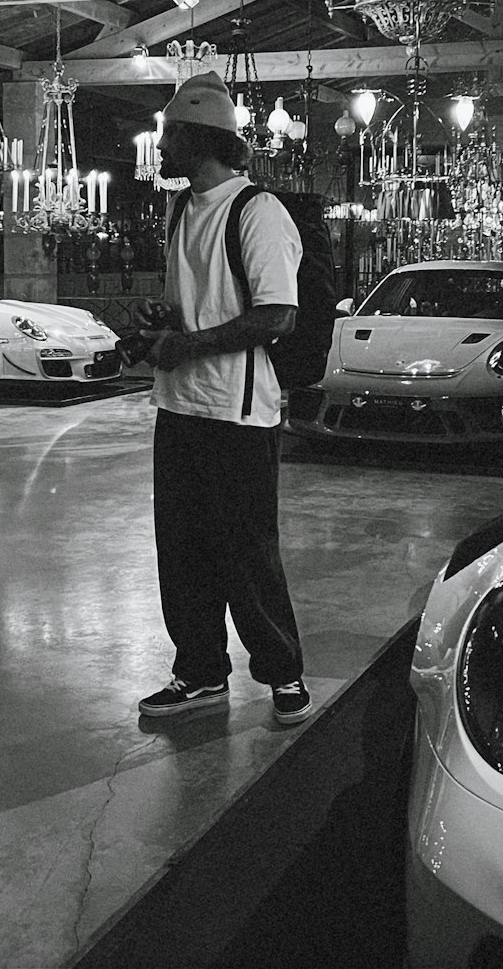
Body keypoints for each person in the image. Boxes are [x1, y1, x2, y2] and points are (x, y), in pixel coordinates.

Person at [134, 71, 312, 726]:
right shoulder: (180, 208)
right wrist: (166, 316)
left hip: (238, 414)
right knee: (181, 550)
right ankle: (200, 671)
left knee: (247, 551)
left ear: (198, 137)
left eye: (169, 135)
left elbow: (278, 316)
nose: (159, 146)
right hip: (178, 406)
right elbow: (198, 303)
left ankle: (284, 672)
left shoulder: (257, 211)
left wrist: (191, 345)